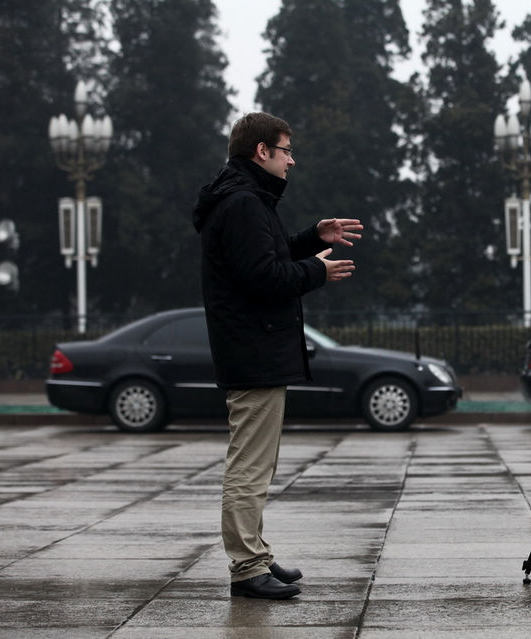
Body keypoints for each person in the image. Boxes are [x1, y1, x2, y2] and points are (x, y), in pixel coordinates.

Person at [192, 112, 362, 600]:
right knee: (249, 464)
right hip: (254, 348)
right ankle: (247, 567)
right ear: (262, 151)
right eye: (286, 150)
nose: (292, 161)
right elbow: (264, 278)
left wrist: (312, 237)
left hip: (254, 347)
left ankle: (256, 555)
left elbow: (264, 256)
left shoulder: (243, 199)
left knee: (257, 463)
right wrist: (316, 271)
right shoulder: (244, 203)